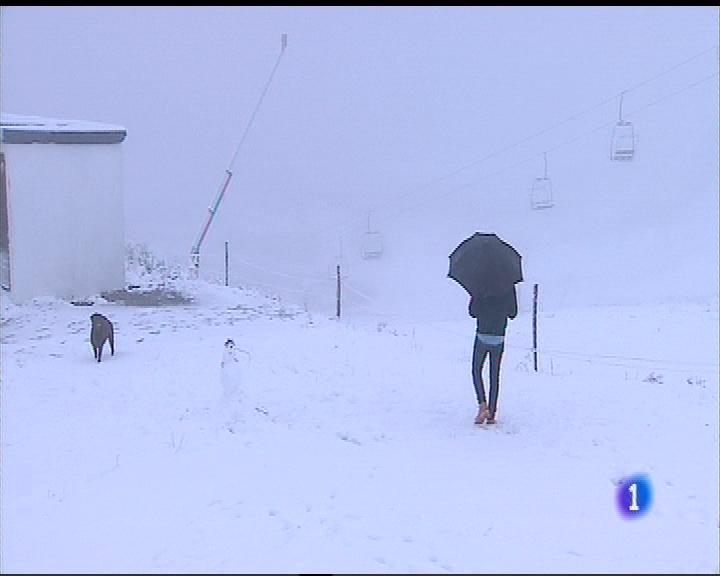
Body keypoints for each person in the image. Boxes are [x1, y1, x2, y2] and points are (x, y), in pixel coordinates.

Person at [468, 284, 517, 424]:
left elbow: (472, 312)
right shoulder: (508, 285)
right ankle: (492, 413)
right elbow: (513, 313)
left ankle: (482, 404)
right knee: (494, 374)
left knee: (476, 370)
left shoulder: (481, 283)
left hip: (482, 334)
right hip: (499, 337)